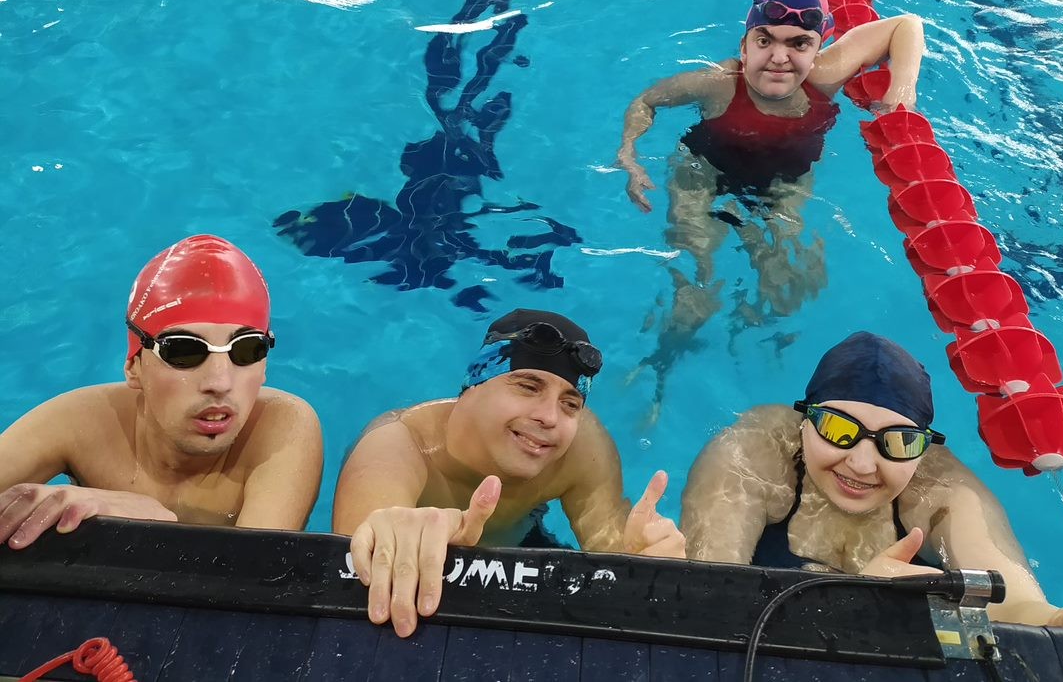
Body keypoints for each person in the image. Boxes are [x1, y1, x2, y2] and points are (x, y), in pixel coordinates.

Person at [681, 331, 1063, 656]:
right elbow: (710, 602)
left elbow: (1011, 601)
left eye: (898, 441)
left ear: (923, 448)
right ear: (805, 422)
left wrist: (1060, 623)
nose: (860, 464)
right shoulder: (752, 453)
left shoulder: (944, 491)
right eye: (837, 429)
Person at [617, 0, 924, 418]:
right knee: (698, 271)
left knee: (787, 281)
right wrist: (629, 156)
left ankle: (754, 352)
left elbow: (906, 26)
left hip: (784, 183)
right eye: (766, 40)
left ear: (817, 49)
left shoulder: (824, 76)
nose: (780, 57)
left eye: (799, 43)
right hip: (702, 172)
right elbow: (646, 101)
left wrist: (903, 85)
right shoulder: (718, 82)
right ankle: (662, 363)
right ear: (745, 45)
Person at [335, 308, 686, 638]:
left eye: (570, 404)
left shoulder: (582, 447)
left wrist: (642, 559)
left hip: (525, 542)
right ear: (473, 385)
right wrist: (391, 533)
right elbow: (356, 557)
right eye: (528, 387)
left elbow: (614, 552)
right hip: (425, 561)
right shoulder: (398, 442)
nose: (550, 417)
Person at [0, 234, 323, 548]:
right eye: (184, 351)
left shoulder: (282, 429)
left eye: (247, 349)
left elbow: (255, 581)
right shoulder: (78, 422)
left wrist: (151, 521)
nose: (220, 382)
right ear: (133, 366)